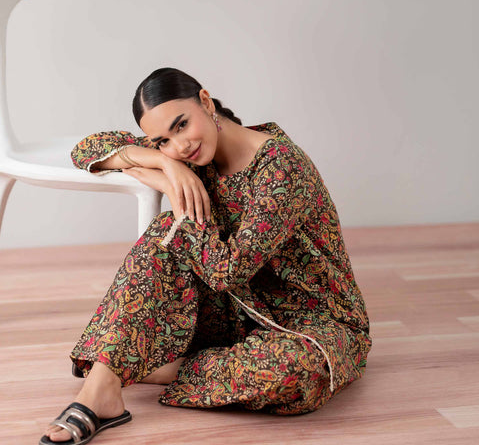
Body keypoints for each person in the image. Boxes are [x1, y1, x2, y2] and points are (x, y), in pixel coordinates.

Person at [40, 67, 372, 445]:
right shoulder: (187, 157)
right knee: (165, 238)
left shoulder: (280, 166)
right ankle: (101, 390)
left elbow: (228, 271)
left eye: (182, 125)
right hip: (235, 310)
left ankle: (140, 363)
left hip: (314, 325)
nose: (180, 146)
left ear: (206, 102)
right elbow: (86, 148)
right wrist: (164, 167)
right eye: (163, 141)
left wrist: (180, 204)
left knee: (293, 371)